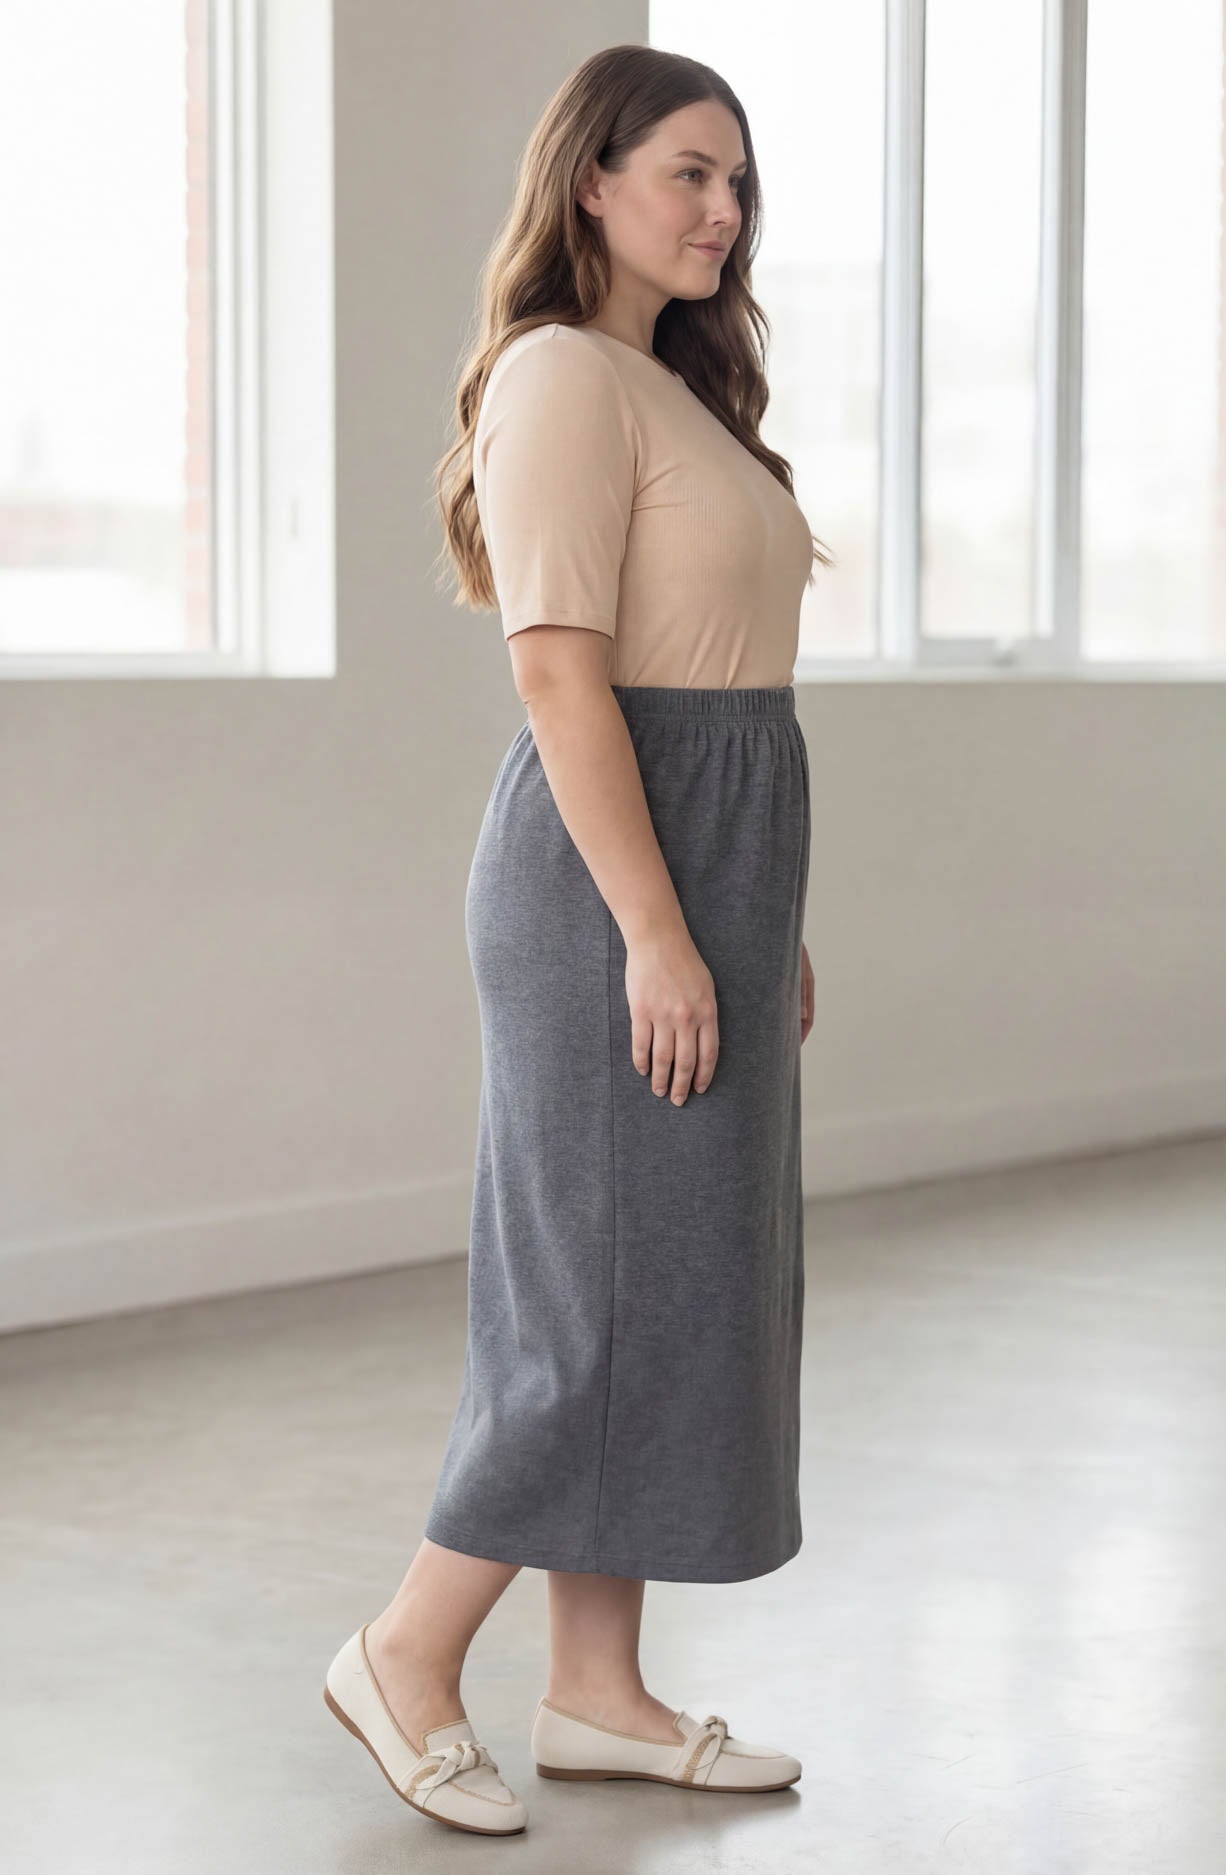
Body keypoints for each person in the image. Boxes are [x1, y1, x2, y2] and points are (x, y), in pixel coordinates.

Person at [324, 42, 826, 1837]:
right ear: (590, 181)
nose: (722, 210)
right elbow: (556, 670)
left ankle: (596, 1693)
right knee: (591, 1307)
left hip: (706, 872)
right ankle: (404, 1650)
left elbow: (730, 695)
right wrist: (656, 934)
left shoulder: (669, 386)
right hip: (610, 884)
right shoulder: (555, 376)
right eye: (689, 172)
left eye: (737, 183)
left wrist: (757, 927)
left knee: (672, 1292)